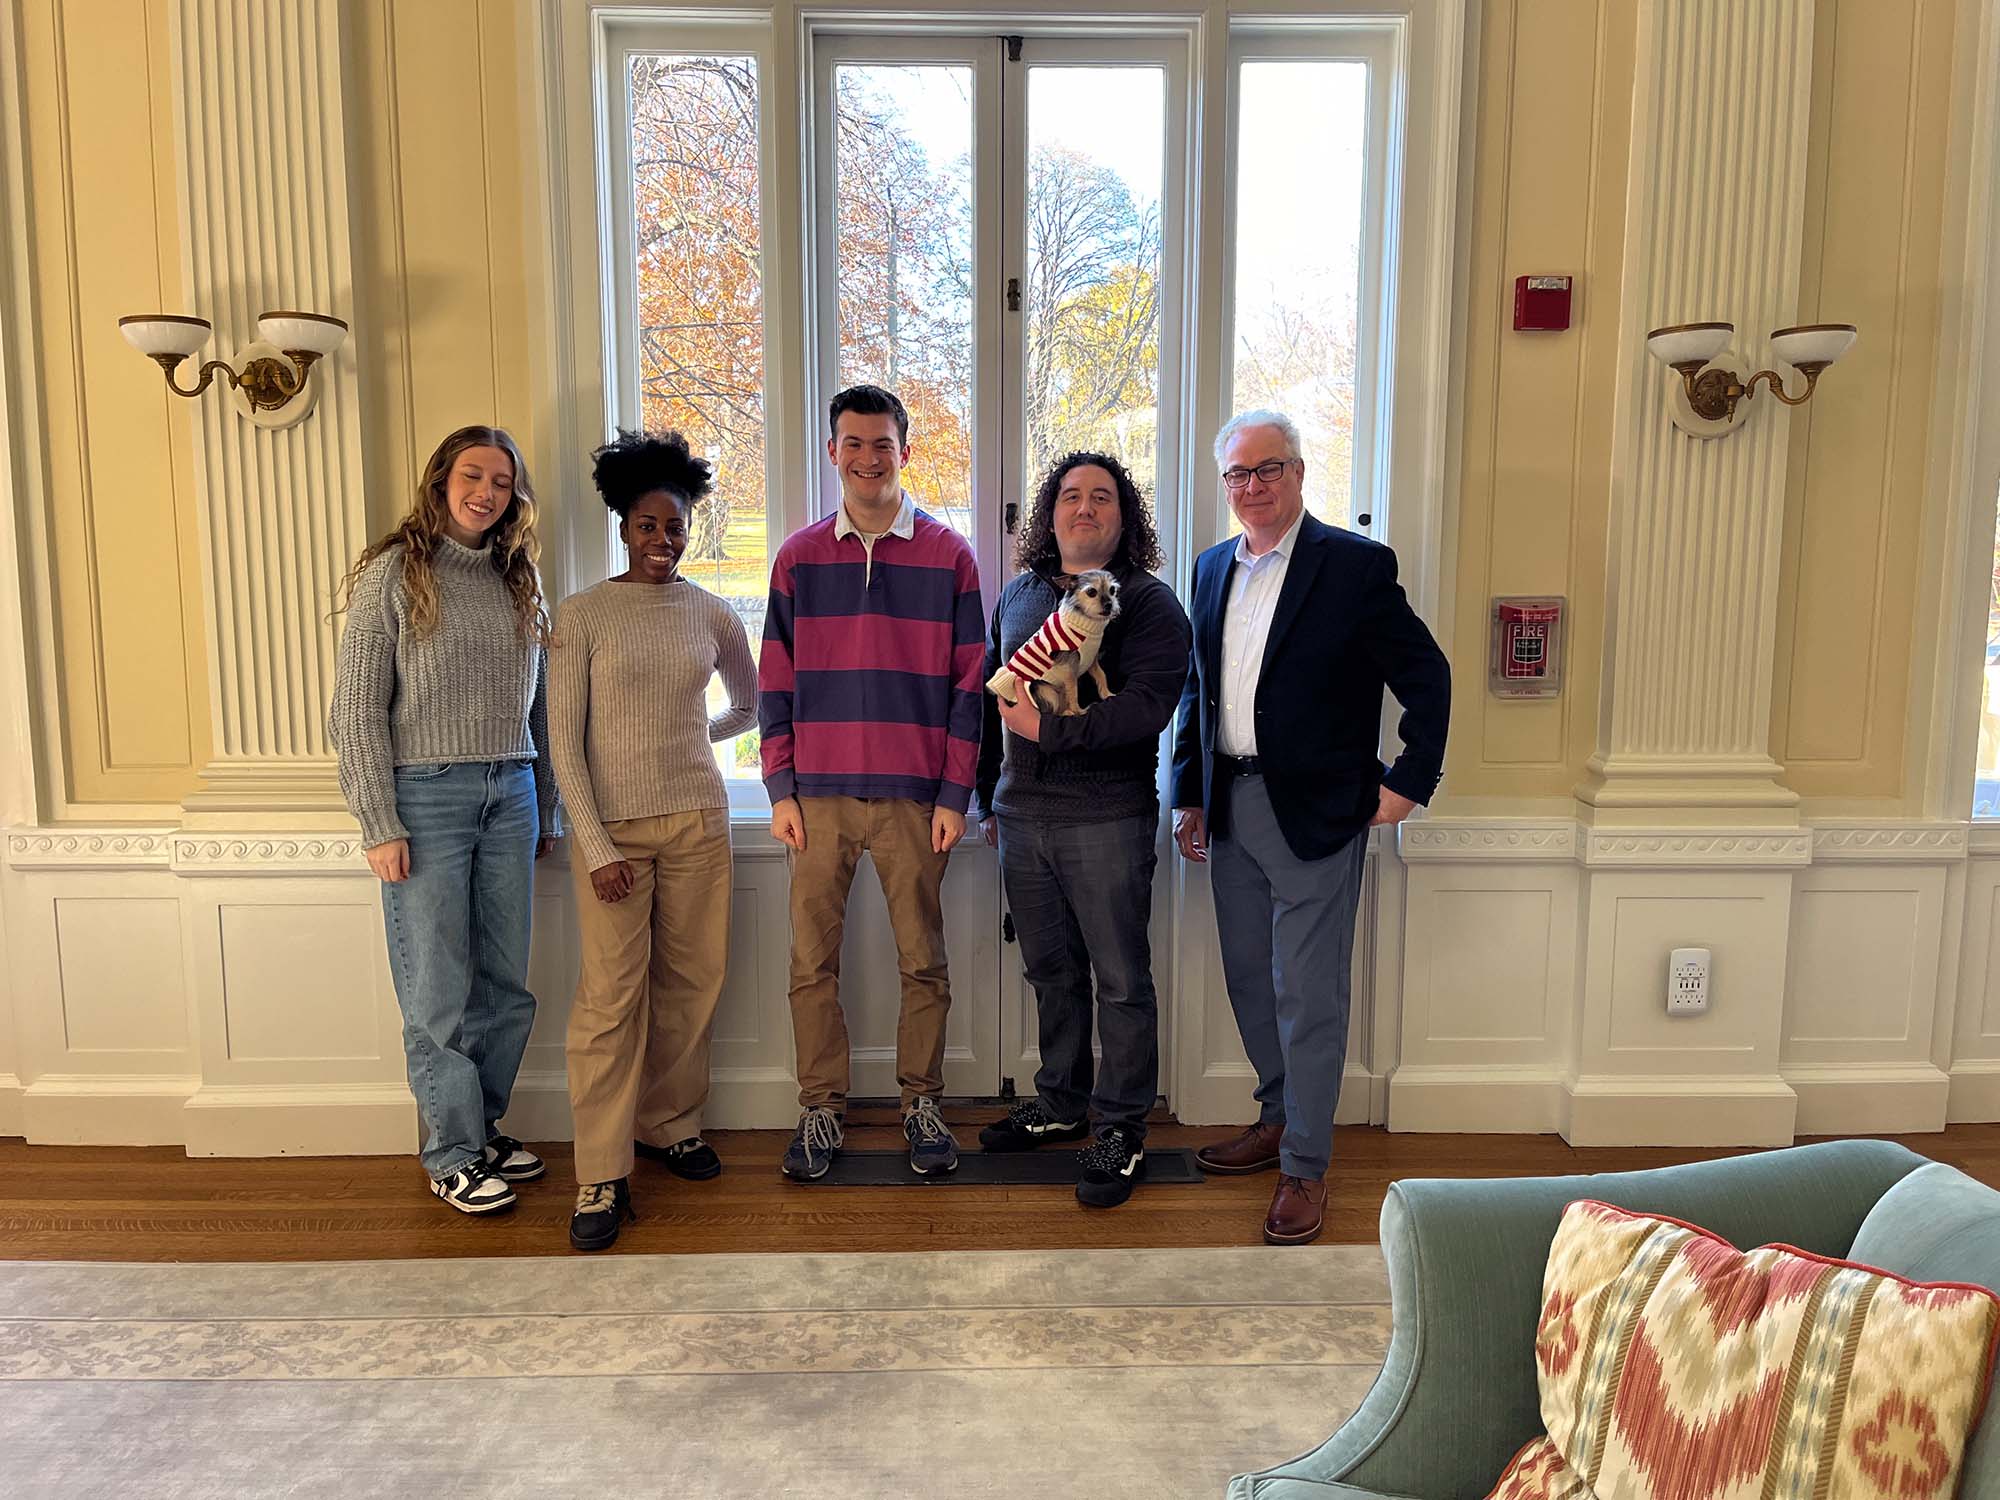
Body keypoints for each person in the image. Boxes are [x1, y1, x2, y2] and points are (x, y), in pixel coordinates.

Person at [1171, 410, 1449, 1245]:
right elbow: (1198, 689)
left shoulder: (1355, 568)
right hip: (1230, 808)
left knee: (1308, 993)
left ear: (1297, 473)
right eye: (1238, 476)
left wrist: (1408, 782)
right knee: (1252, 981)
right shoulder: (1212, 567)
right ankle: (1275, 1117)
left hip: (1320, 813)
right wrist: (1189, 790)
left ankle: (1305, 1165)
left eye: (1267, 470)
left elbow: (1427, 675)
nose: (1251, 488)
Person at [330, 425, 560, 1215]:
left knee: (506, 986)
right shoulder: (395, 572)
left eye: (501, 482)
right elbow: (355, 709)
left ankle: (483, 1129)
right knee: (437, 990)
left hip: (513, 793)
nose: (486, 493)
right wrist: (377, 821)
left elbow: (542, 708)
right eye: (473, 475)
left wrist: (549, 807)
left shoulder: (521, 579)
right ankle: (451, 1153)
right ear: (440, 481)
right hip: (423, 798)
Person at [758, 384, 984, 1181]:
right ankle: (820, 1109)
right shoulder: (797, 556)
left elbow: (969, 690)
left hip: (915, 799)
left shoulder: (951, 556)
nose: (866, 458)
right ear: (833, 454)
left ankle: (922, 1103)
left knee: (923, 960)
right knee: (808, 964)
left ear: (905, 451)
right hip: (815, 798)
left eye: (881, 444)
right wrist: (779, 786)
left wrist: (955, 796)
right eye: (852, 444)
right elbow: (773, 683)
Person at [547, 430, 756, 1252]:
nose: (662, 540)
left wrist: (690, 735)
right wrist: (597, 848)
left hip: (699, 823)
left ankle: (670, 1123)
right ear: (622, 526)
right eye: (646, 525)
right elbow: (564, 743)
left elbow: (752, 704)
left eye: (674, 526)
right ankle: (601, 1170)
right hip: (616, 837)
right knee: (609, 1001)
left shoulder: (712, 612)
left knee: (693, 981)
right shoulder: (581, 616)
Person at [974, 452, 1190, 1209]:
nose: (1085, 508)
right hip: (1022, 816)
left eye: (1103, 497)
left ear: (1123, 517)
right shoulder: (1020, 596)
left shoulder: (1152, 606)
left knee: (1122, 980)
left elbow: (1145, 708)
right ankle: (1062, 1104)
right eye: (1071, 496)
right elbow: (988, 700)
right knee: (1050, 972)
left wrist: (1050, 734)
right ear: (1051, 513)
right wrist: (986, 796)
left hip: (1108, 818)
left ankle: (1121, 1127)